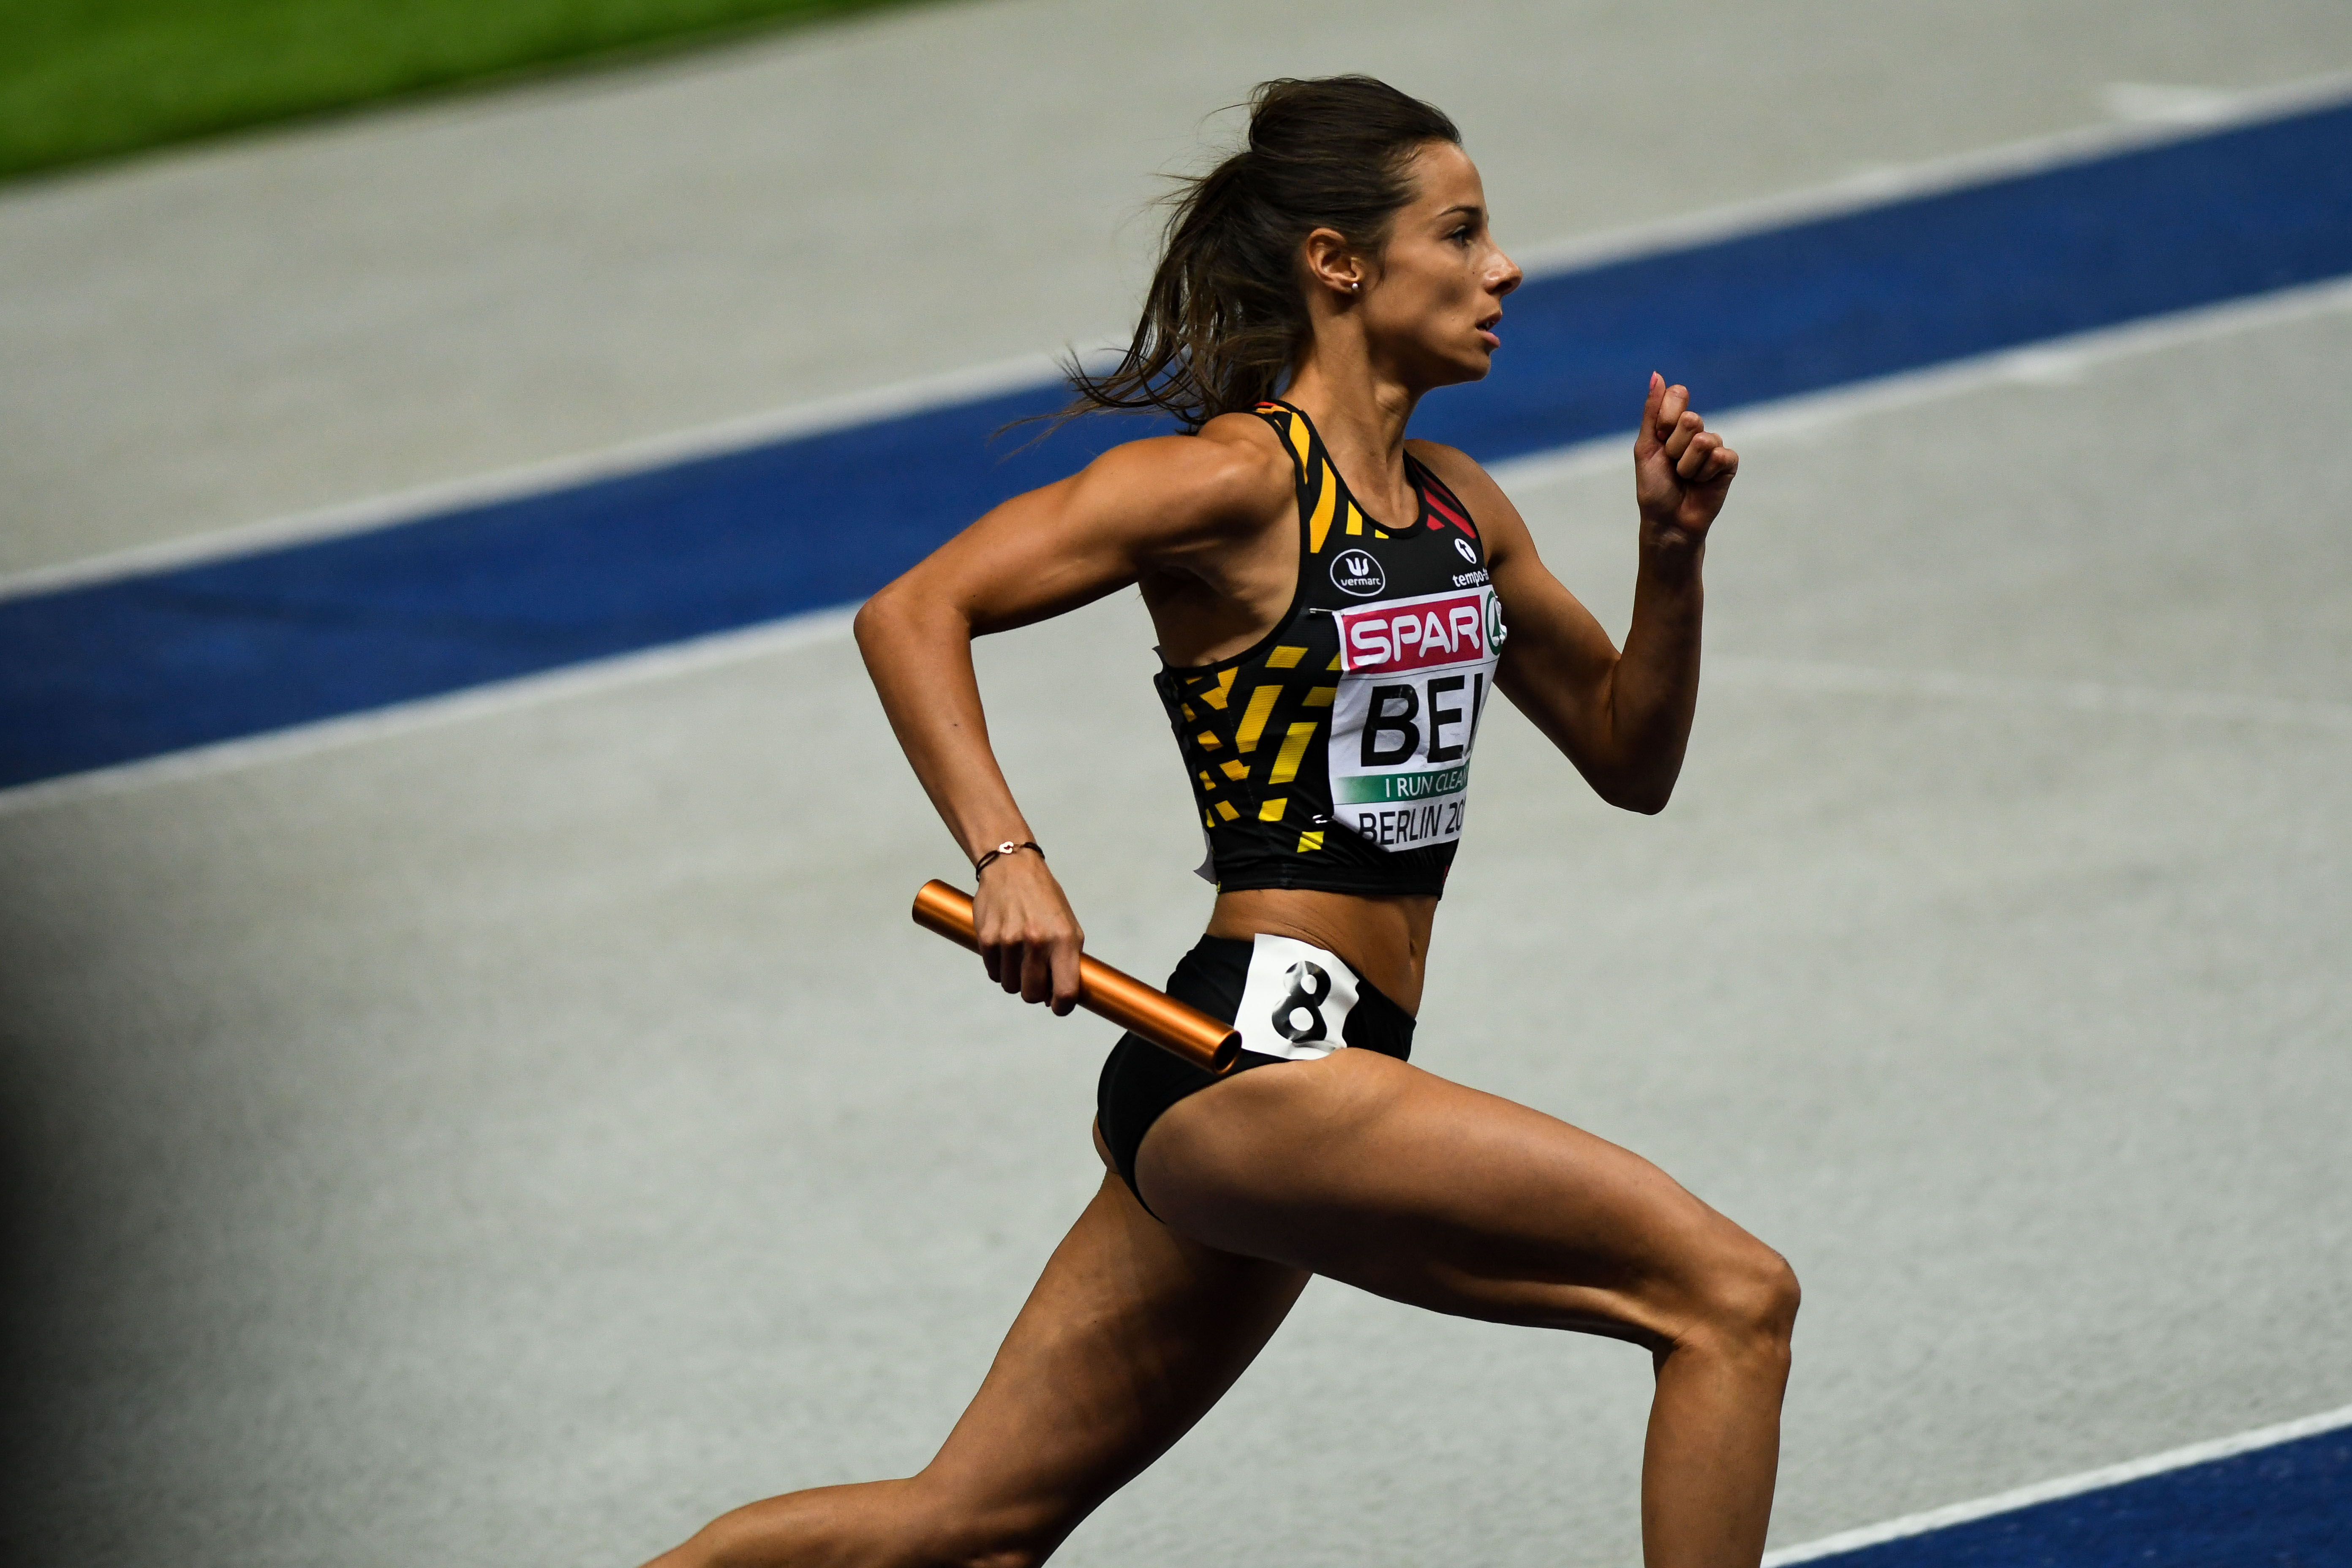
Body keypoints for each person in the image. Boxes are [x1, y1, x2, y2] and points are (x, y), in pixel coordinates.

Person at [646, 74, 1794, 1568]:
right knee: (1729, 1298)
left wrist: (1670, 560)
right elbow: (914, 610)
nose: (1503, 267)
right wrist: (1012, 862)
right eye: (1461, 232)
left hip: (1300, 1066)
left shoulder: (1460, 508)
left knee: (970, 1531)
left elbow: (1633, 756)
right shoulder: (1235, 485)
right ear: (1340, 264)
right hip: (1260, 1056)